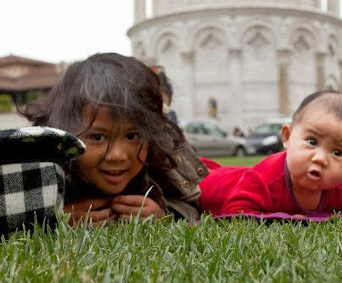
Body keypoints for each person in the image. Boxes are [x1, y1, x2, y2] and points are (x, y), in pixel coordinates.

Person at [20, 53, 208, 225]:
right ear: (65, 134)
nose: (117, 155)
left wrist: (165, 214)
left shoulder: (160, 160)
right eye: (98, 137)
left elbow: (193, 205)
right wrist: (57, 217)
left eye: (132, 136)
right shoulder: (42, 167)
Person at [199, 91, 342, 216]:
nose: (320, 158)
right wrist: (283, 219)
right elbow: (236, 211)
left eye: (337, 152)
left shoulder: (339, 189)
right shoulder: (265, 178)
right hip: (207, 183)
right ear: (287, 137)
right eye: (312, 142)